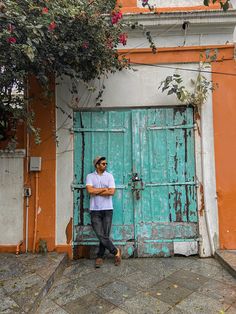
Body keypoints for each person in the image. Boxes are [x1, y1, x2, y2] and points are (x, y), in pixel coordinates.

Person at [86, 156, 121, 268]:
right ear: (97, 165)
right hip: (95, 209)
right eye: (103, 164)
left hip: (107, 209)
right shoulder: (90, 176)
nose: (105, 165)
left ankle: (100, 256)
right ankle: (116, 252)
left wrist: (96, 191)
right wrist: (103, 189)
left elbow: (111, 192)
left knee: (104, 235)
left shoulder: (109, 176)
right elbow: (89, 190)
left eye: (106, 164)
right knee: (100, 234)